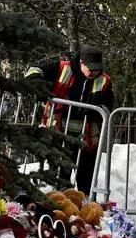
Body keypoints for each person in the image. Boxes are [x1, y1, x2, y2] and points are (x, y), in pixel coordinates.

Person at [25, 46, 115, 197]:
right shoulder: (62, 68)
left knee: (86, 179)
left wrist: (97, 110)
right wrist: (36, 83)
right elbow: (34, 69)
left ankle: (85, 207)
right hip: (58, 134)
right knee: (61, 176)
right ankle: (61, 206)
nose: (94, 72)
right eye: (91, 68)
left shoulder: (104, 81)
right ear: (81, 62)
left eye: (97, 69)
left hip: (86, 140)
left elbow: (107, 108)